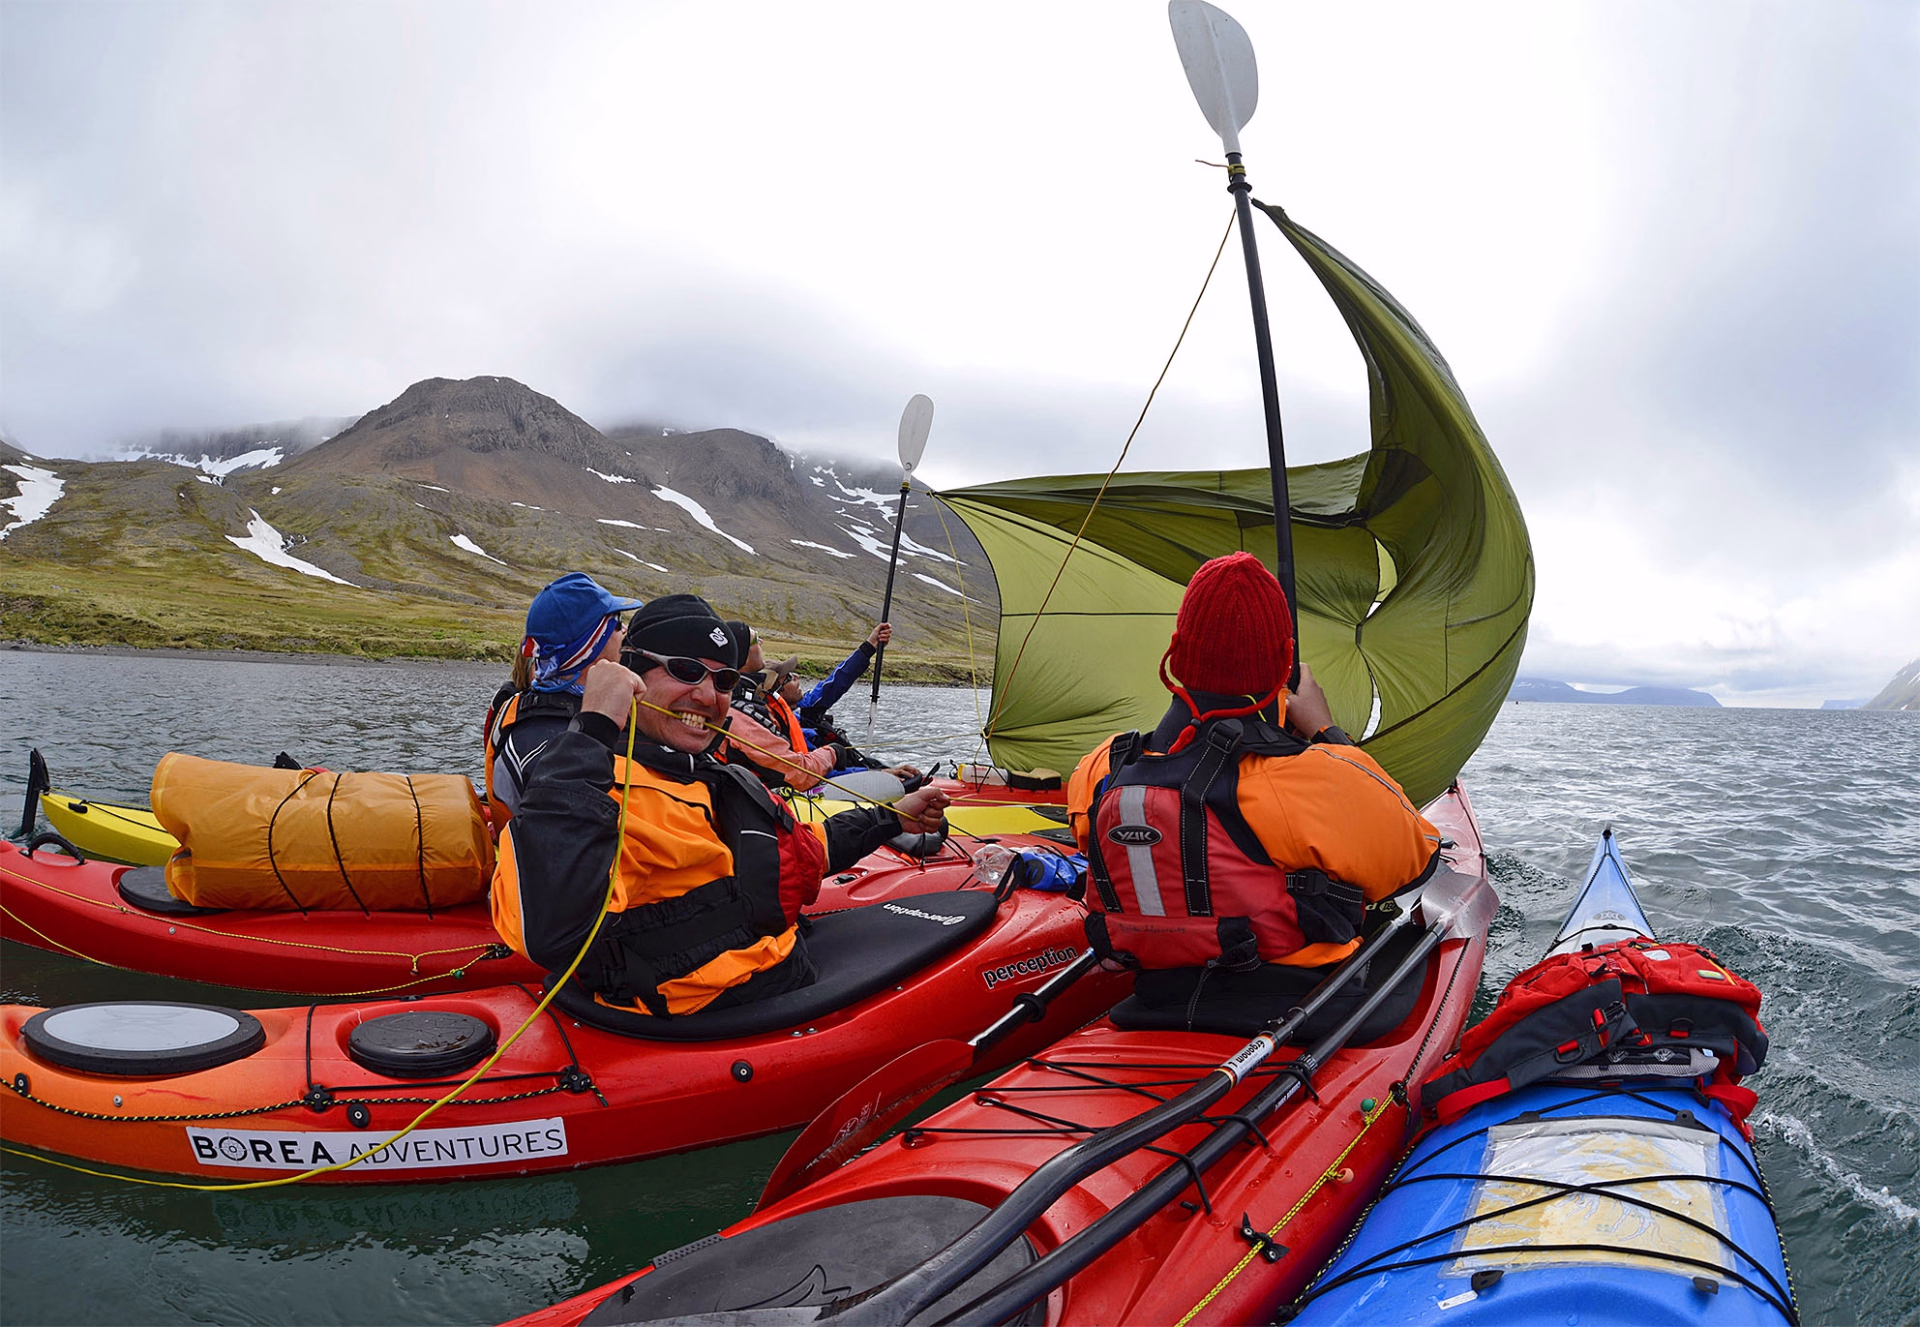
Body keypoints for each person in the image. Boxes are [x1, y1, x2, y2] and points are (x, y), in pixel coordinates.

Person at [491, 593, 951, 1018]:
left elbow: (800, 852)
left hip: (778, 974)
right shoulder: (595, 784)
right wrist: (592, 730)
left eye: (724, 679)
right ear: (633, 675)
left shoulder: (710, 775)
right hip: (713, 1018)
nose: (709, 696)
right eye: (686, 671)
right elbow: (547, 932)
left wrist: (891, 816)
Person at [1066, 552, 1441, 988]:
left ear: (1176, 652)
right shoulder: (1319, 778)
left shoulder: (1101, 767)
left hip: (1153, 990)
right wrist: (1325, 730)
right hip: (1296, 1002)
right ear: (1285, 661)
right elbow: (1416, 858)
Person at [483, 572, 642, 829]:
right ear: (592, 645)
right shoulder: (543, 742)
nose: (623, 631)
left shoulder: (526, 708)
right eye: (616, 623)